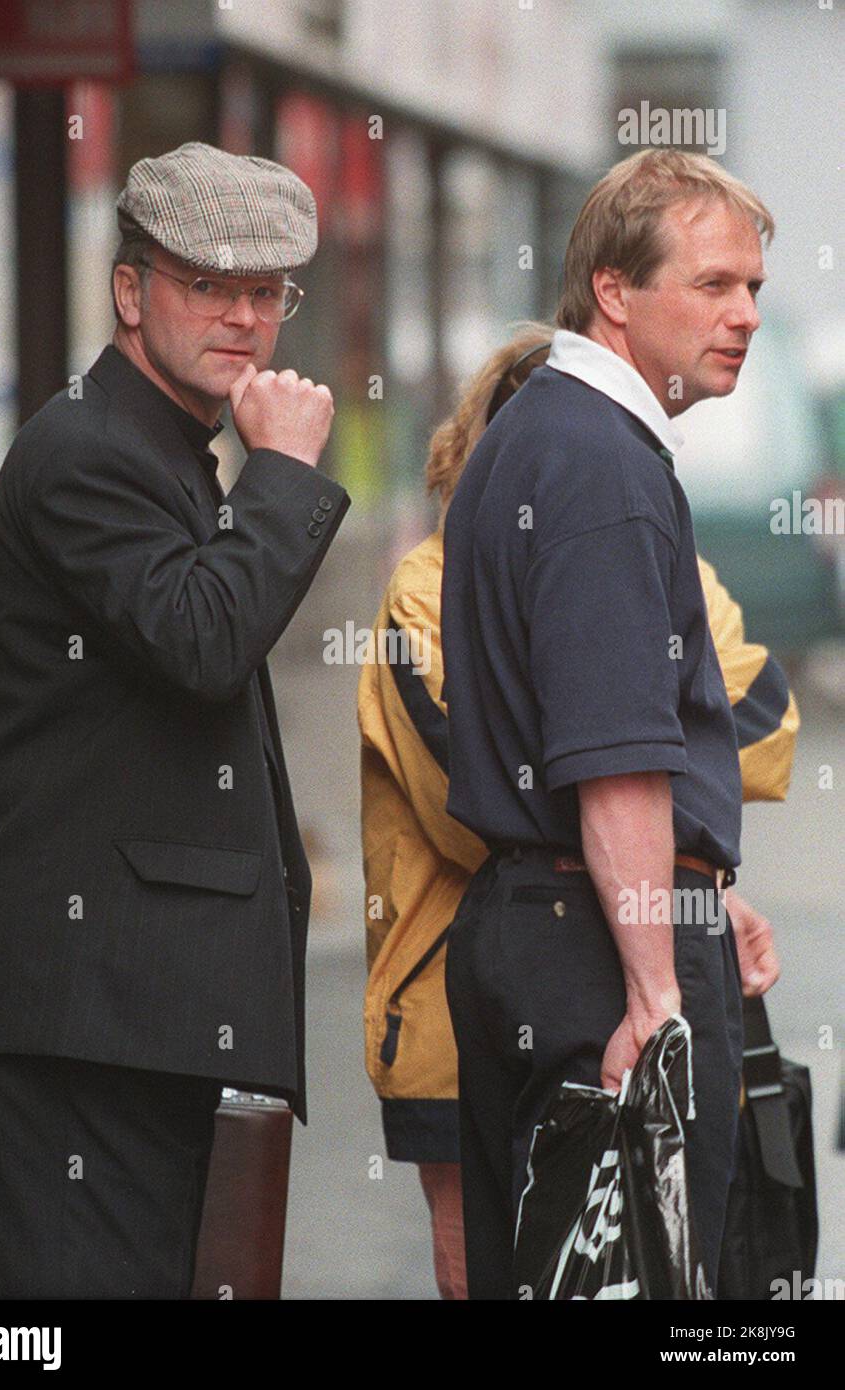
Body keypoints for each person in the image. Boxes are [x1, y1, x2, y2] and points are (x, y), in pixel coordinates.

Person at [0, 143, 350, 1299]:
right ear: (130, 292)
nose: (242, 319)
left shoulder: (156, 450)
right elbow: (204, 641)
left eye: (264, 293)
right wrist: (284, 473)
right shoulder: (88, 454)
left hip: (123, 1015)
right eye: (206, 285)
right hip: (86, 1019)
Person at [359, 324, 797, 1300]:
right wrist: (643, 820)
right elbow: (473, 793)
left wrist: (676, 868)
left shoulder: (638, 538)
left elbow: (763, 721)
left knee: (649, 1265)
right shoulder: (425, 589)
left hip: (624, 932)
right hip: (459, 994)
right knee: (507, 1267)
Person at [439, 148, 777, 1299]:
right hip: (590, 946)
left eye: (753, 291)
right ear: (613, 293)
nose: (741, 315)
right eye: (713, 284)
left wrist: (700, 888)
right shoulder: (594, 458)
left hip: (538, 925)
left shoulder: (540, 435)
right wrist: (654, 992)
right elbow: (614, 762)